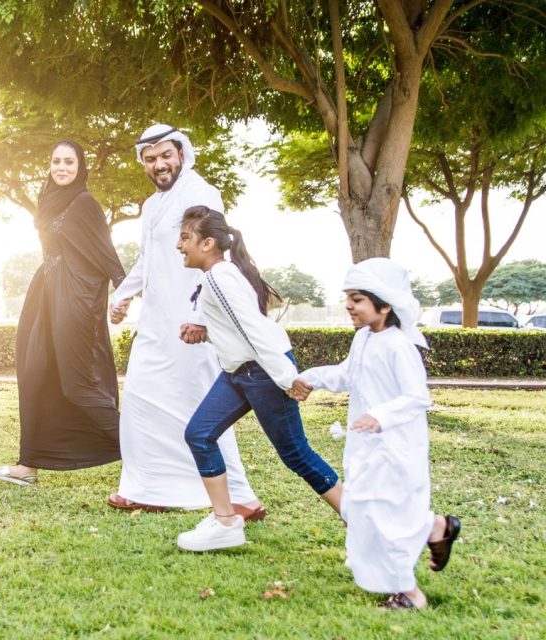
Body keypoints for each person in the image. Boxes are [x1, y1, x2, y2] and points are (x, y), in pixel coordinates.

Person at [107, 124, 264, 517]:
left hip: (191, 324)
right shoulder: (150, 206)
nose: (159, 164)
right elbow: (149, 260)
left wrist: (199, 316)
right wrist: (123, 294)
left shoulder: (201, 193)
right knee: (142, 398)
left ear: (181, 154)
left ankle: (241, 497)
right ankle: (145, 486)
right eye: (151, 158)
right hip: (155, 323)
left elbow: (212, 256)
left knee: (199, 399)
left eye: (166, 156)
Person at [290, 258, 461, 610]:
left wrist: (379, 417)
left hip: (395, 449)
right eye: (348, 298)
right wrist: (309, 377)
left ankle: (410, 593)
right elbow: (346, 375)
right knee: (368, 511)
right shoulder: (364, 339)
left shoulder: (400, 346)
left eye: (357, 299)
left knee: (385, 517)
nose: (349, 306)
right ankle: (435, 527)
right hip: (366, 447)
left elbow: (417, 397)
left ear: (384, 305)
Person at [175, 205, 343, 551]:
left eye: (185, 238)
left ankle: (361, 520)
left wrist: (286, 378)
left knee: (296, 454)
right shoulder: (220, 275)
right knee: (200, 434)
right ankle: (225, 522)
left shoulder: (219, 276)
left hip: (263, 372)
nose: (180, 245)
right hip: (239, 372)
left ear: (207, 243)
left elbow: (252, 328)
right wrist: (204, 330)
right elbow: (238, 325)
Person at [0, 140, 126, 485]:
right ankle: (28, 465)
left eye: (69, 162)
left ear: (81, 167)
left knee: (77, 384)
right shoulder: (49, 201)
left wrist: (123, 293)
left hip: (74, 301)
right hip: (47, 295)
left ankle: (152, 448)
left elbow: (106, 254)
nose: (62, 167)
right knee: (36, 373)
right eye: (56, 161)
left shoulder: (84, 203)